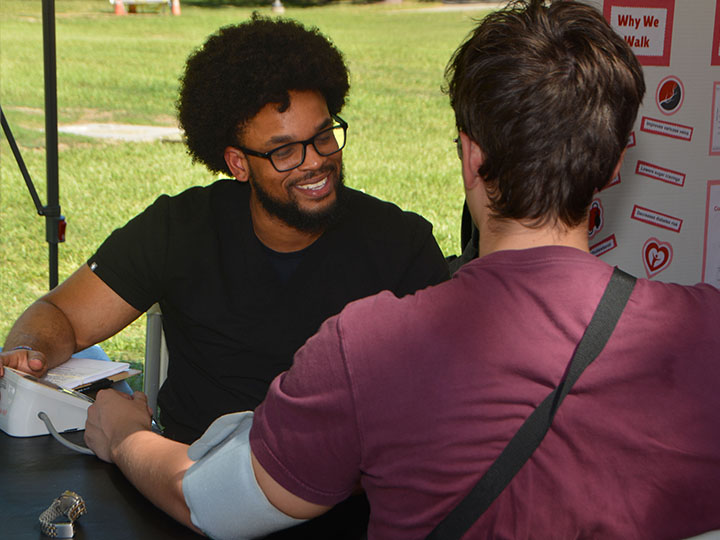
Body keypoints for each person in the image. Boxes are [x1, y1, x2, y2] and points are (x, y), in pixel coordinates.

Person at [83, 1, 720, 538]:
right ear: (613, 166)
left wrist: (124, 434)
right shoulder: (706, 333)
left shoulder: (367, 349)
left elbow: (211, 504)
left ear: (471, 158)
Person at [0, 14, 449, 539]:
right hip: (178, 486)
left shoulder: (399, 245)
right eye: (284, 150)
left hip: (343, 506)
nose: (316, 163)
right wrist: (28, 353)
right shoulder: (181, 227)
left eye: (324, 135)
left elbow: (433, 420)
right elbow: (60, 315)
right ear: (238, 163)